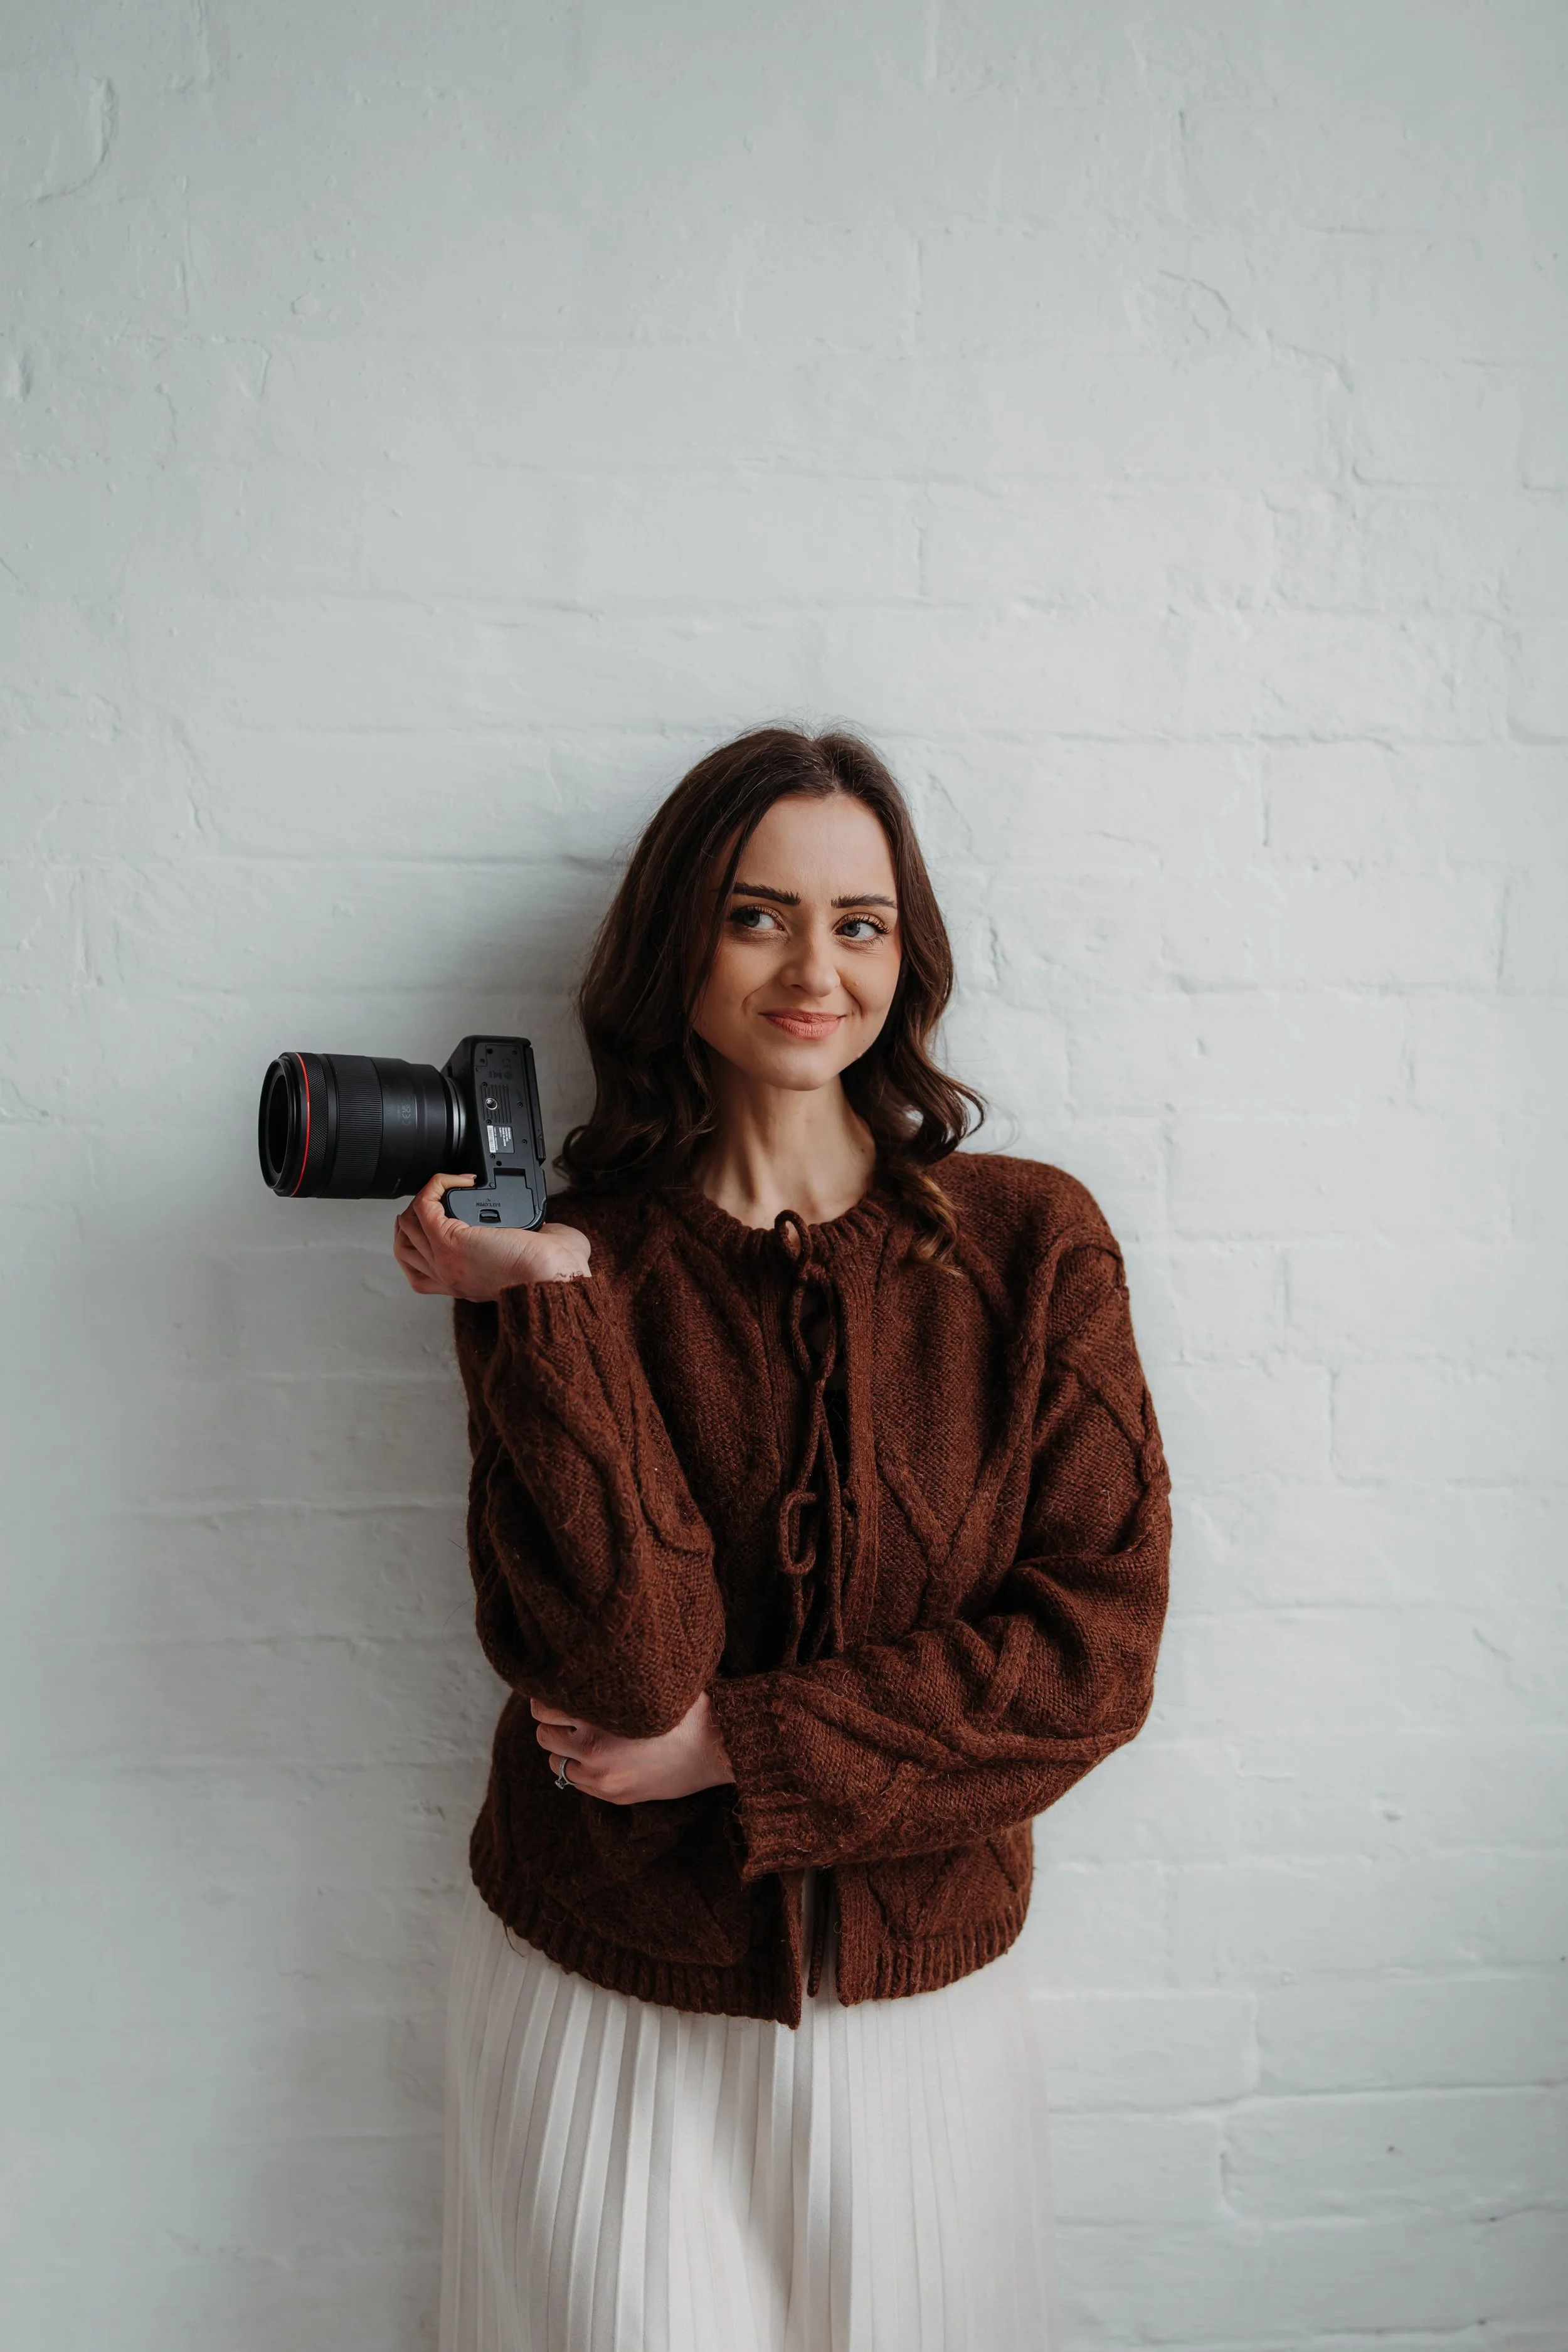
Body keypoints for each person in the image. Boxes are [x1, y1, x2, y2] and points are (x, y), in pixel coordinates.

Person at [393, 726, 1171, 2352]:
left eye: (858, 922)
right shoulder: (565, 1257)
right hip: (612, 1996)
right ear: (676, 945)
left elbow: (1092, 1659)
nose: (815, 968)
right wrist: (542, 1306)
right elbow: (627, 1667)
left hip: (919, 2018)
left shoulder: (1033, 1246)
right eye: (756, 915)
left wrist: (735, 1749)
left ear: (905, 953)